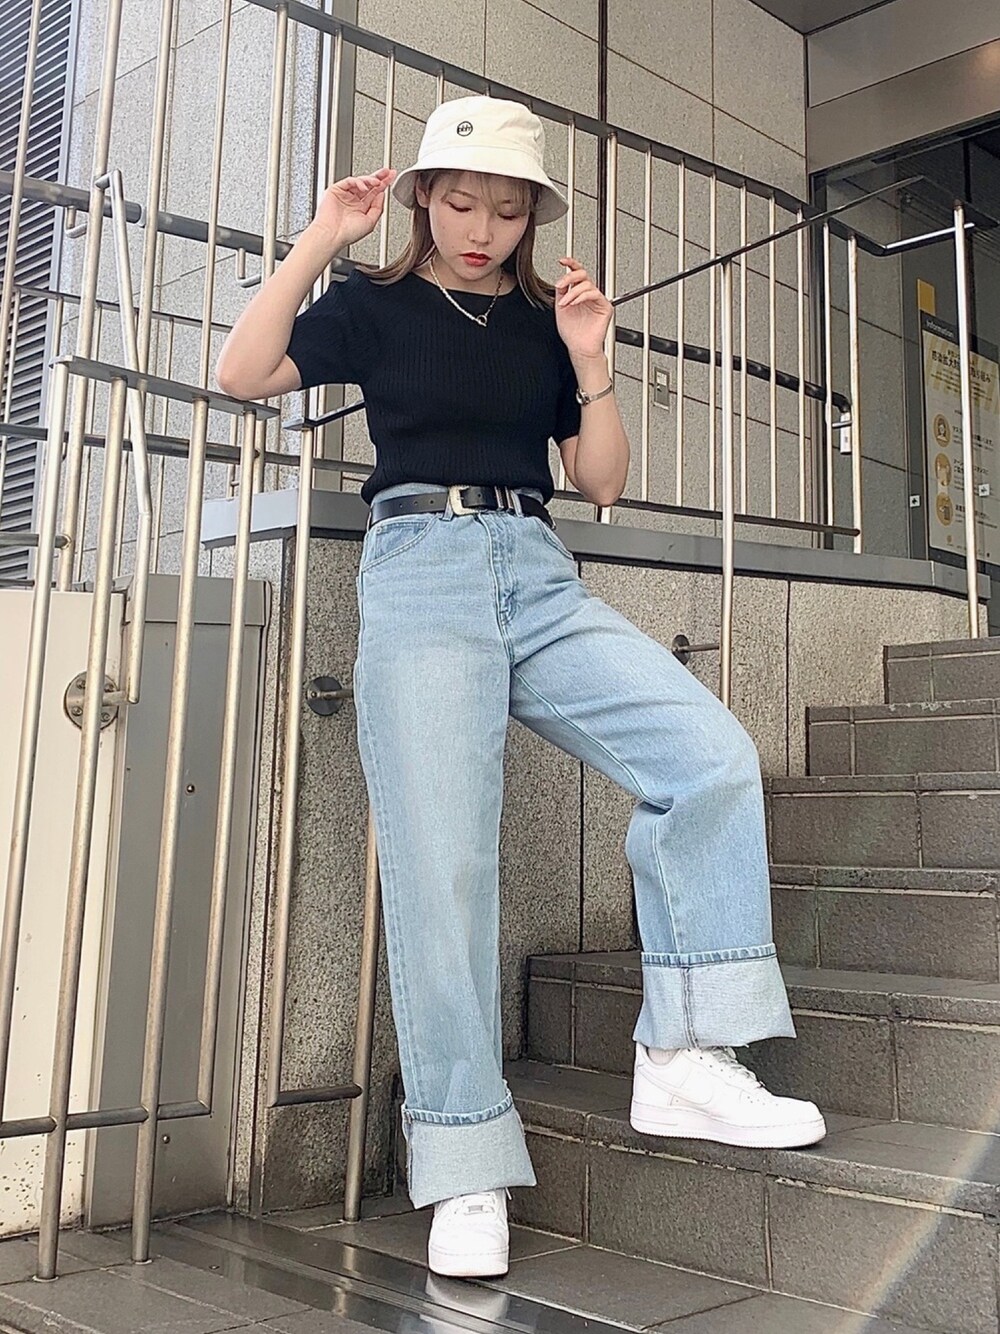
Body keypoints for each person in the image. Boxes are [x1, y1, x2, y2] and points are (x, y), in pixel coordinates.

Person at [216, 94, 825, 1282]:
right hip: (420, 569)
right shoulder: (374, 304)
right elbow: (244, 371)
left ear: (531, 216)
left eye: (506, 209)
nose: (482, 228)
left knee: (707, 755)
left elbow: (599, 480)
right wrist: (321, 238)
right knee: (443, 866)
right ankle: (464, 1159)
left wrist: (592, 362)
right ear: (422, 200)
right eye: (460, 202)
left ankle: (683, 1057)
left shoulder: (549, 321)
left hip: (536, 570)